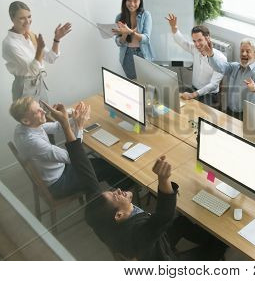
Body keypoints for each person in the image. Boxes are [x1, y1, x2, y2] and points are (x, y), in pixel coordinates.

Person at [43, 103, 226, 260]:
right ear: (119, 215)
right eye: (116, 196)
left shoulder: (97, 210)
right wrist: (163, 179)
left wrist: (67, 125)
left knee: (184, 223)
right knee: (219, 244)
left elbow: (82, 166)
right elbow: (163, 216)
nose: (118, 190)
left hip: (153, 244)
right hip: (163, 259)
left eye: (112, 191)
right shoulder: (138, 233)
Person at [9, 97, 132, 199]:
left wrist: (74, 117)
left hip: (58, 170)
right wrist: (79, 126)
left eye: (40, 107)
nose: (44, 111)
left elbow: (57, 127)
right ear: (25, 120)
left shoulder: (24, 128)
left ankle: (118, 192)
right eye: (38, 111)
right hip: (59, 183)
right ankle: (124, 198)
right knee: (110, 166)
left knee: (102, 164)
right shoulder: (32, 142)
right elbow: (74, 157)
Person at [2, 1, 71, 102]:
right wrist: (39, 49)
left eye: (29, 17)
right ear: (12, 19)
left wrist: (57, 39)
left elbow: (50, 58)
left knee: (47, 115)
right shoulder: (9, 43)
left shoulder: (31, 35)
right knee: (31, 117)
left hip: (39, 83)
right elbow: (33, 70)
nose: (27, 21)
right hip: (24, 88)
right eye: (22, 18)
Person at [166, 13, 225, 108]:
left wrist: (192, 95)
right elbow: (182, 41)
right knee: (180, 108)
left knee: (199, 116)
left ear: (208, 38)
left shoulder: (220, 59)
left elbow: (213, 85)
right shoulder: (195, 49)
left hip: (209, 95)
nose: (197, 44)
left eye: (200, 40)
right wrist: (174, 27)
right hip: (193, 89)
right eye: (194, 41)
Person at [201, 37, 255, 120]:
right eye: (242, 51)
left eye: (248, 51)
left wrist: (254, 88)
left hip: (248, 117)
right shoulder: (234, 66)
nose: (243, 54)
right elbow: (219, 67)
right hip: (230, 111)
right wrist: (211, 54)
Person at [113, 0, 154, 79]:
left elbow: (146, 39)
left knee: (146, 83)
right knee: (133, 84)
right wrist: (124, 34)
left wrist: (130, 32)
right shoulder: (119, 17)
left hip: (143, 54)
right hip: (127, 55)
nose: (132, 4)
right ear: (125, 1)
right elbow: (118, 42)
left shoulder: (146, 15)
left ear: (140, 2)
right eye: (129, 0)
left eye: (135, 1)